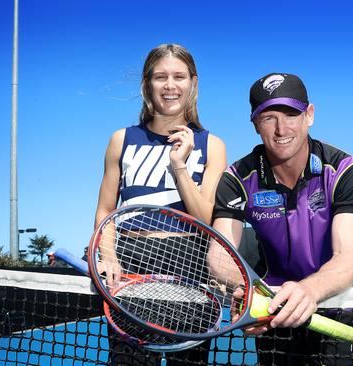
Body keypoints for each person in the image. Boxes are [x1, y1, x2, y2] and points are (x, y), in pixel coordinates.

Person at [212, 72, 353, 365]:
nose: (281, 128)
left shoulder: (344, 170)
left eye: (290, 114)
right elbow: (220, 256)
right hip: (274, 311)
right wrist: (250, 291)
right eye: (269, 117)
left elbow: (350, 259)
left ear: (309, 115)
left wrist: (308, 291)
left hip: (335, 307)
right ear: (255, 124)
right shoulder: (236, 179)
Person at [93, 44, 226, 366]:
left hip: (190, 269)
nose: (170, 85)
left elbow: (208, 218)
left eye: (179, 77)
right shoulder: (120, 140)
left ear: (192, 83)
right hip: (131, 268)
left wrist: (179, 165)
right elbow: (105, 210)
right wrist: (107, 255)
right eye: (160, 77)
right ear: (146, 84)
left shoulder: (213, 145)